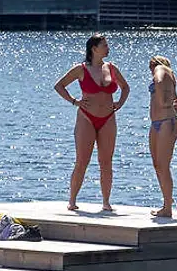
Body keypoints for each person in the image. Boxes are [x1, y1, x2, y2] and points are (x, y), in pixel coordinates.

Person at [54, 35, 128, 213]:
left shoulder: (111, 68)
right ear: (94, 49)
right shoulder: (81, 69)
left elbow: (126, 87)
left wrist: (120, 103)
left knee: (106, 162)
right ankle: (72, 200)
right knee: (82, 161)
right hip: (86, 117)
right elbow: (59, 86)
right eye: (104, 45)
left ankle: (106, 202)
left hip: (108, 117)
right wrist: (74, 101)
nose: (108, 48)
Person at [147, 56, 177, 218]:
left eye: (150, 64)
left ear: (155, 63)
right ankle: (166, 203)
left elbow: (159, 80)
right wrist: (165, 101)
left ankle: (167, 207)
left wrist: (161, 100)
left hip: (167, 123)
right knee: (157, 165)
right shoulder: (171, 78)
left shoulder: (161, 70)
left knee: (163, 165)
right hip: (158, 123)